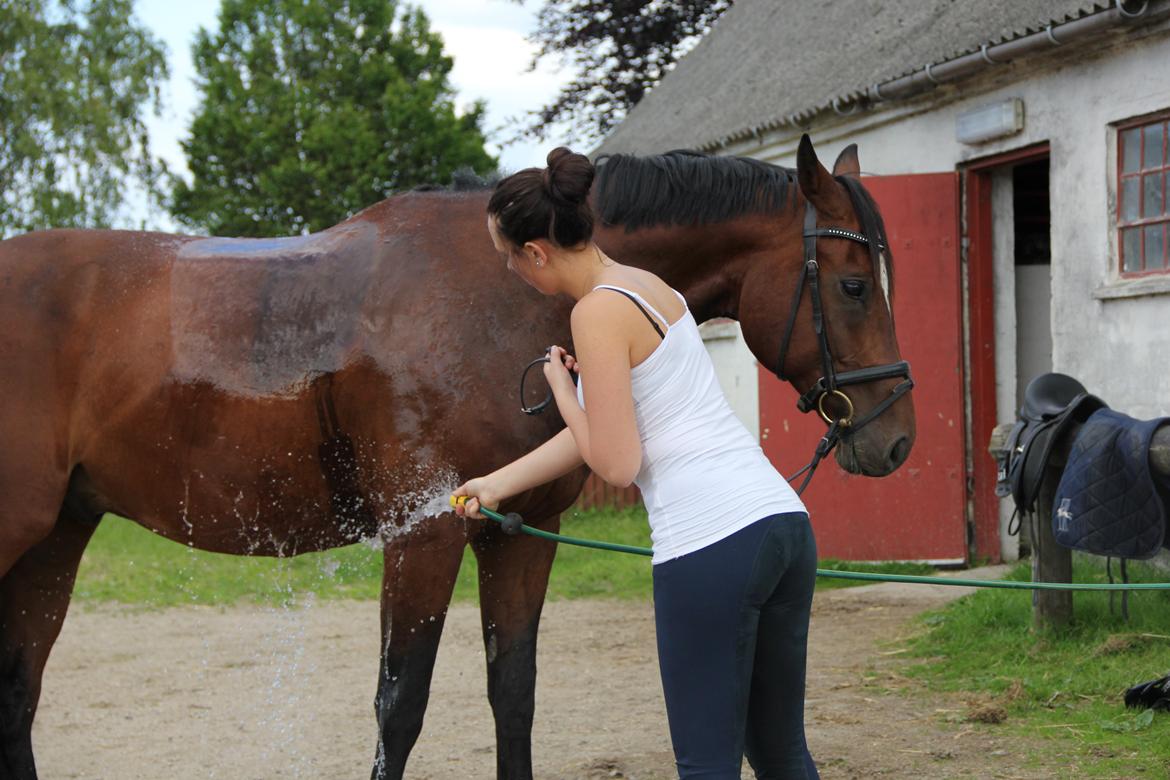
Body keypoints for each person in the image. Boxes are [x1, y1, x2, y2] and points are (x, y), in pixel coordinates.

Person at [452, 147, 820, 780]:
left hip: (711, 543)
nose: (513, 272)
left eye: (509, 258)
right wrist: (497, 483)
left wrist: (564, 392)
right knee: (780, 752)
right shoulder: (649, 287)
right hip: (782, 526)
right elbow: (606, 433)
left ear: (536, 251)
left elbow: (617, 463)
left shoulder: (594, 313)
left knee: (706, 764)